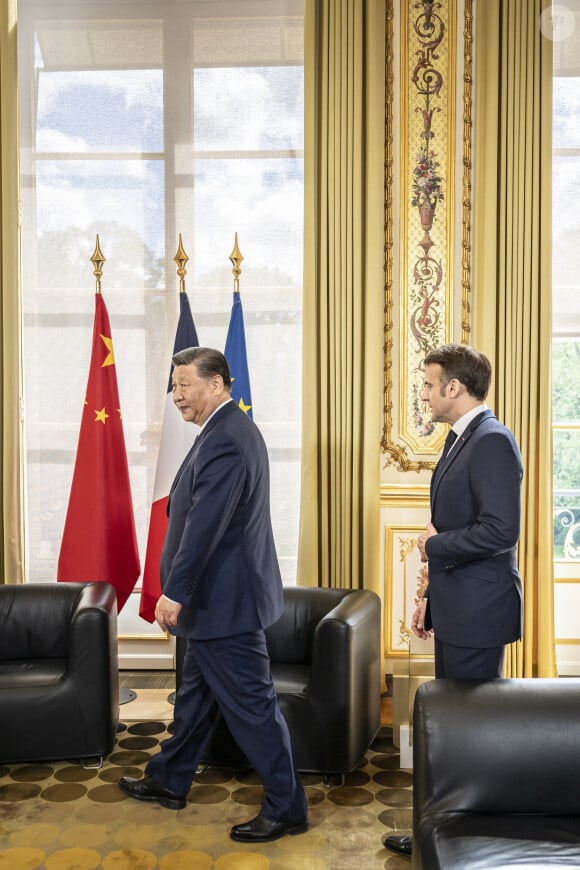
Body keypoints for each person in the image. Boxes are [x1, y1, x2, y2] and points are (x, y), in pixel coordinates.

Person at [119, 347, 308, 843]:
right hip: (216, 605)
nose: (176, 394)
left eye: (184, 384)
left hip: (227, 605)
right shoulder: (221, 431)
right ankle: (168, 780)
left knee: (254, 710)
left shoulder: (227, 438)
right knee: (196, 700)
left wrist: (173, 592)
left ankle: (287, 808)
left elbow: (205, 526)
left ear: (218, 384)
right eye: (174, 385)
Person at [384, 343, 523, 859]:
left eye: (427, 384)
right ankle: (442, 832)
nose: (423, 394)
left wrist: (433, 545)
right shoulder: (459, 439)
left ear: (454, 388)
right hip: (459, 603)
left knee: (469, 734)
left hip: (480, 613)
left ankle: (466, 840)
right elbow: (458, 522)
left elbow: (500, 530)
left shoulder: (491, 441)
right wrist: (431, 598)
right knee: (455, 729)